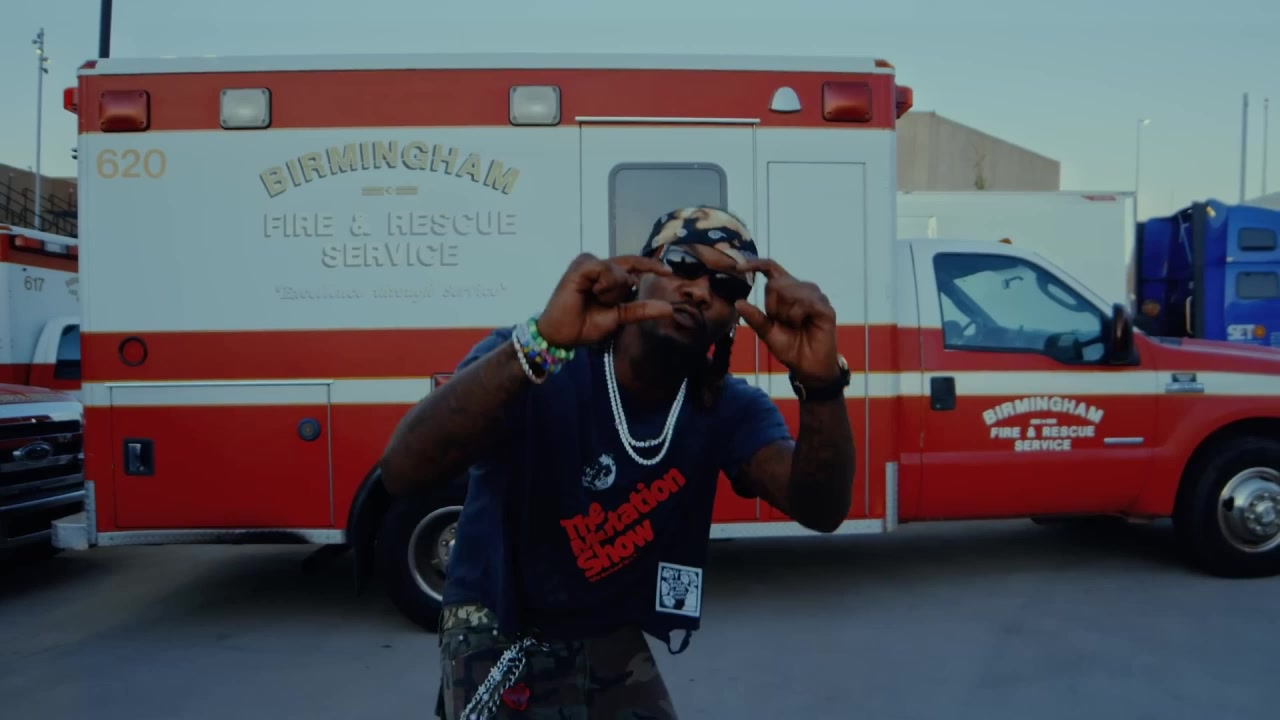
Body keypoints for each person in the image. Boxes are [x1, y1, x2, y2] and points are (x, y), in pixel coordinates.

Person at [379, 207, 857, 719]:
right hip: (495, 621)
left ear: (733, 319)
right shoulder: (540, 359)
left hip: (607, 628)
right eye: (683, 264)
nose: (700, 291)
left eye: (727, 288)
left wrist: (822, 387)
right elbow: (403, 470)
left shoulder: (724, 406)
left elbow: (820, 508)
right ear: (641, 270)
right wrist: (540, 346)